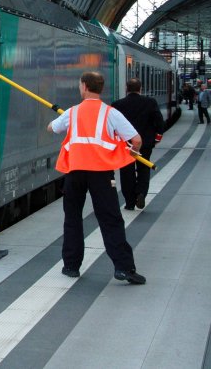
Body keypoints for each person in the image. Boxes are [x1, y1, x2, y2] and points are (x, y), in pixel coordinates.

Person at [47, 71, 146, 284]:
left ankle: (71, 266)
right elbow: (136, 140)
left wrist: (67, 122)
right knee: (110, 219)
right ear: (100, 89)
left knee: (72, 218)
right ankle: (124, 268)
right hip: (102, 175)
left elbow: (52, 128)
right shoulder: (110, 113)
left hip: (74, 173)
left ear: (84, 86)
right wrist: (128, 151)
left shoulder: (72, 113)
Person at [112, 78, 165, 210]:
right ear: (140, 89)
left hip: (125, 146)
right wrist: (157, 137)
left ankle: (129, 203)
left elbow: (112, 125)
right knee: (143, 169)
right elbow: (159, 121)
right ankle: (141, 192)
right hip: (145, 143)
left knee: (126, 173)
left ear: (126, 88)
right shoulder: (150, 102)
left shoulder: (117, 104)